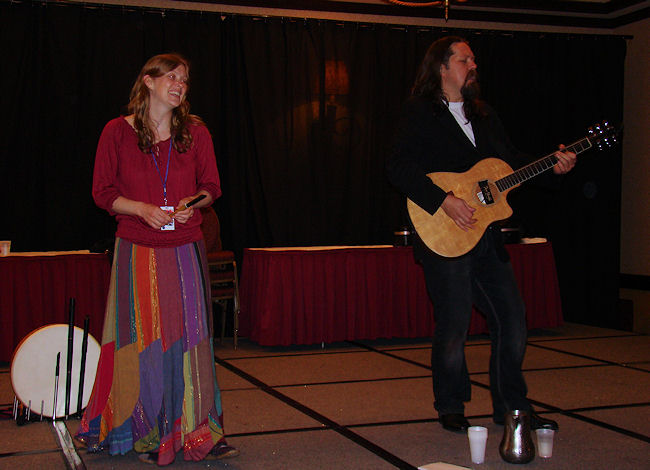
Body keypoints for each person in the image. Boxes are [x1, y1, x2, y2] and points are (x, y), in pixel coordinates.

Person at [387, 36, 576, 434]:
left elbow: (512, 164)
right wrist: (444, 201)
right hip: (444, 234)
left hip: (486, 238)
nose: (473, 65)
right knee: (454, 323)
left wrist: (552, 166)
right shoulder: (419, 111)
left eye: (473, 60)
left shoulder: (485, 114)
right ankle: (450, 403)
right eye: (465, 60)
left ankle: (513, 406)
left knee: (513, 319)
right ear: (442, 67)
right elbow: (399, 167)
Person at [75, 53, 239, 465]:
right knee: (141, 345)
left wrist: (191, 204)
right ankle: (145, 433)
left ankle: (200, 430)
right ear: (148, 82)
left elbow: (212, 187)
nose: (180, 84)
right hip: (136, 249)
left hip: (185, 247)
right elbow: (102, 192)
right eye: (172, 77)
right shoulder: (116, 132)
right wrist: (141, 209)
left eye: (185, 79)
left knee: (192, 342)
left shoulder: (196, 133)